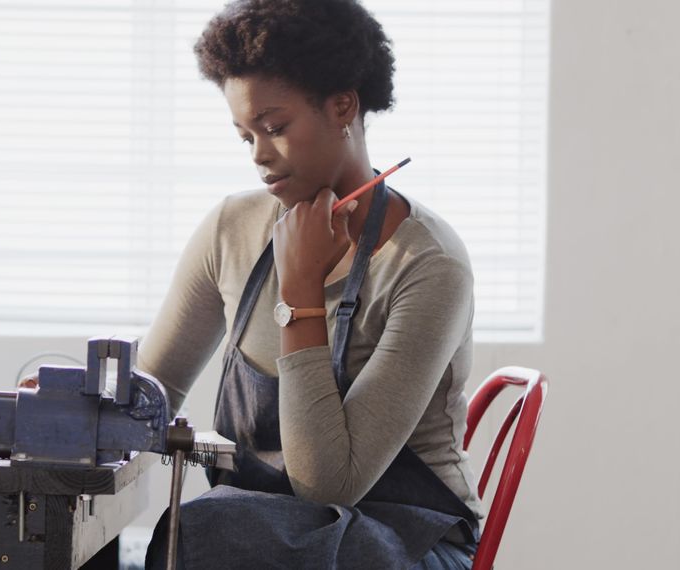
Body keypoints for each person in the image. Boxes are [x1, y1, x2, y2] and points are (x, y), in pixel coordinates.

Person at [139, 1, 483, 567]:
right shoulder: (232, 229)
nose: (259, 156)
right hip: (273, 530)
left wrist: (298, 292)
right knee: (202, 531)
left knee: (211, 531)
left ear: (343, 105)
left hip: (409, 538)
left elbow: (329, 485)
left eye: (275, 128)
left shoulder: (429, 265)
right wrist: (83, 402)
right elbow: (154, 389)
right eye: (245, 135)